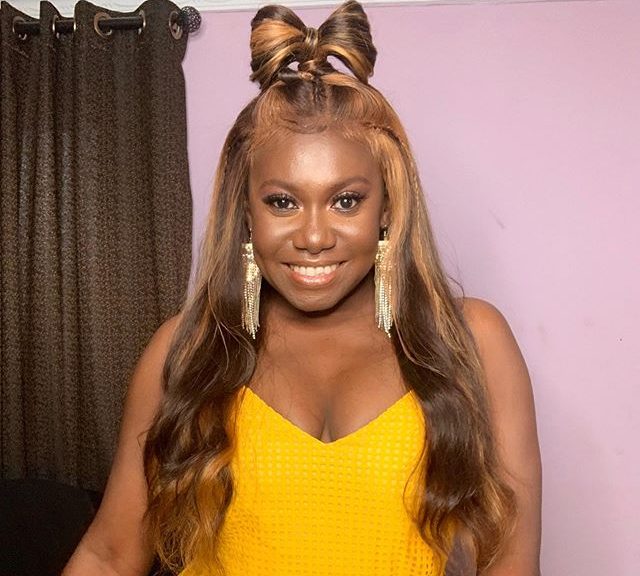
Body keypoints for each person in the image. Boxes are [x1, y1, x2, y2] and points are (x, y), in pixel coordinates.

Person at [63, 1, 541, 575]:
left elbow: (512, 565)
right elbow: (110, 556)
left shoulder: (470, 341)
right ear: (247, 211)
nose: (314, 237)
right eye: (283, 202)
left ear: (388, 206)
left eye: (346, 200)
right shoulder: (185, 349)